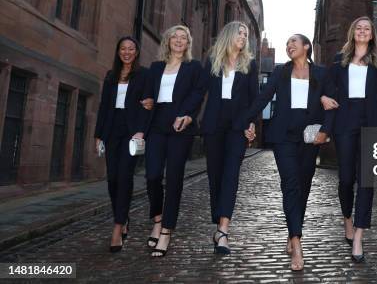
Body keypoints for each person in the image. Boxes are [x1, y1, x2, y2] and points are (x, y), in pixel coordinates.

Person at [243, 34, 332, 271]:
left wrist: (326, 130)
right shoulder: (281, 71)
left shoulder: (321, 73)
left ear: (306, 47)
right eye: (287, 43)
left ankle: (294, 228)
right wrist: (247, 121)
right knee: (291, 184)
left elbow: (333, 103)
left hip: (309, 138)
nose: (289, 45)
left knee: (303, 187)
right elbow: (263, 97)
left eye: (294, 42)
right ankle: (297, 240)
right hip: (283, 137)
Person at [320, 16, 377, 263]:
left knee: (367, 181)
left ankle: (359, 236)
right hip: (344, 121)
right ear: (353, 33)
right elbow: (328, 90)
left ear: (372, 35)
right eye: (359, 28)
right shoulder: (338, 61)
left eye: (367, 29)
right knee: (345, 179)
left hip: (371, 122)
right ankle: (348, 220)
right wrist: (323, 98)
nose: (363, 31)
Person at [141, 25, 205, 257]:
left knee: (174, 178)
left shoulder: (194, 67)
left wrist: (187, 115)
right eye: (174, 37)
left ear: (188, 43)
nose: (178, 41)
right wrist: (146, 102)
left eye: (183, 38)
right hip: (156, 126)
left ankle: (166, 230)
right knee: (153, 175)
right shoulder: (156, 67)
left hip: (180, 127)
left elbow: (198, 93)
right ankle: (157, 219)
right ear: (167, 41)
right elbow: (148, 95)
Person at [200, 21, 258, 254]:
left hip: (238, 126)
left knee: (231, 175)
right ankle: (218, 222)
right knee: (215, 175)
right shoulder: (212, 61)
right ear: (229, 35)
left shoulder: (250, 65)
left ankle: (224, 230)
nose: (243, 37)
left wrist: (251, 124)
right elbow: (198, 91)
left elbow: (255, 98)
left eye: (246, 34)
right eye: (240, 33)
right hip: (214, 124)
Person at [94, 36, 149, 253]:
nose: (126, 52)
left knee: (125, 176)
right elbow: (104, 106)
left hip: (131, 131)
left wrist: (141, 131)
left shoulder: (143, 75)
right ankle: (123, 215)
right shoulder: (110, 76)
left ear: (136, 52)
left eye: (131, 49)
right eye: (123, 49)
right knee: (113, 178)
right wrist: (98, 135)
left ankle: (118, 227)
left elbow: (148, 105)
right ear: (118, 52)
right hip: (111, 130)